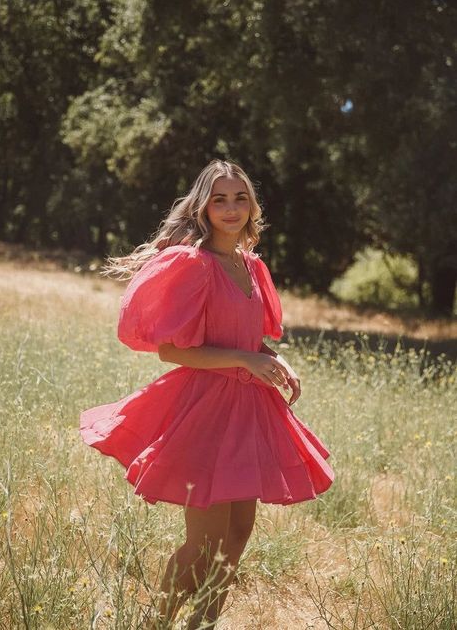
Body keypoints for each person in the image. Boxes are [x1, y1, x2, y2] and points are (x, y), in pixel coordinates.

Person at [79, 159, 334, 628]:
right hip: (206, 411)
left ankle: (203, 623)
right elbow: (173, 352)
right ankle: (156, 624)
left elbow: (248, 340)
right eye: (220, 198)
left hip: (251, 410)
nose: (231, 207)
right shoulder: (195, 265)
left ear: (252, 205)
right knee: (203, 545)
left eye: (240, 197)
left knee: (238, 533)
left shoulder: (252, 265)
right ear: (204, 207)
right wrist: (246, 361)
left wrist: (275, 360)